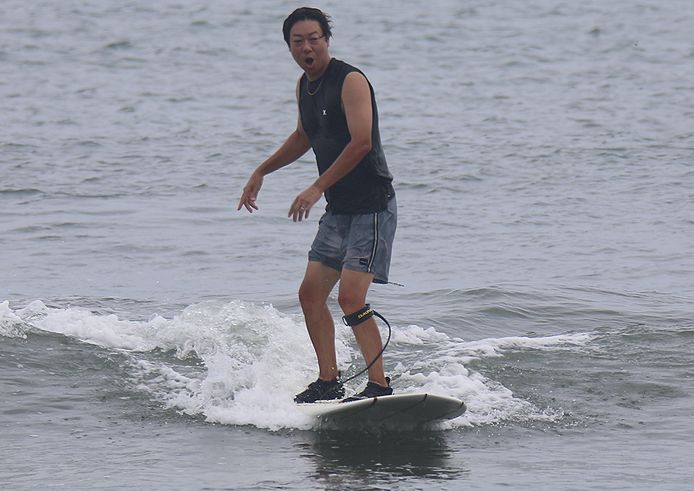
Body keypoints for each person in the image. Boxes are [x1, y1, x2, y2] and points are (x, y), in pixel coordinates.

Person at [237, 7, 397, 404]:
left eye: (314, 39)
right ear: (289, 47)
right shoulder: (304, 87)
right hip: (339, 209)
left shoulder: (351, 81)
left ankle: (379, 385)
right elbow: (304, 135)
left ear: (327, 40)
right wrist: (261, 171)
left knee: (351, 299)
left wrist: (315, 187)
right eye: (298, 42)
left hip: (372, 207)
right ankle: (329, 381)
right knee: (310, 295)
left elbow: (361, 142)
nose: (307, 48)